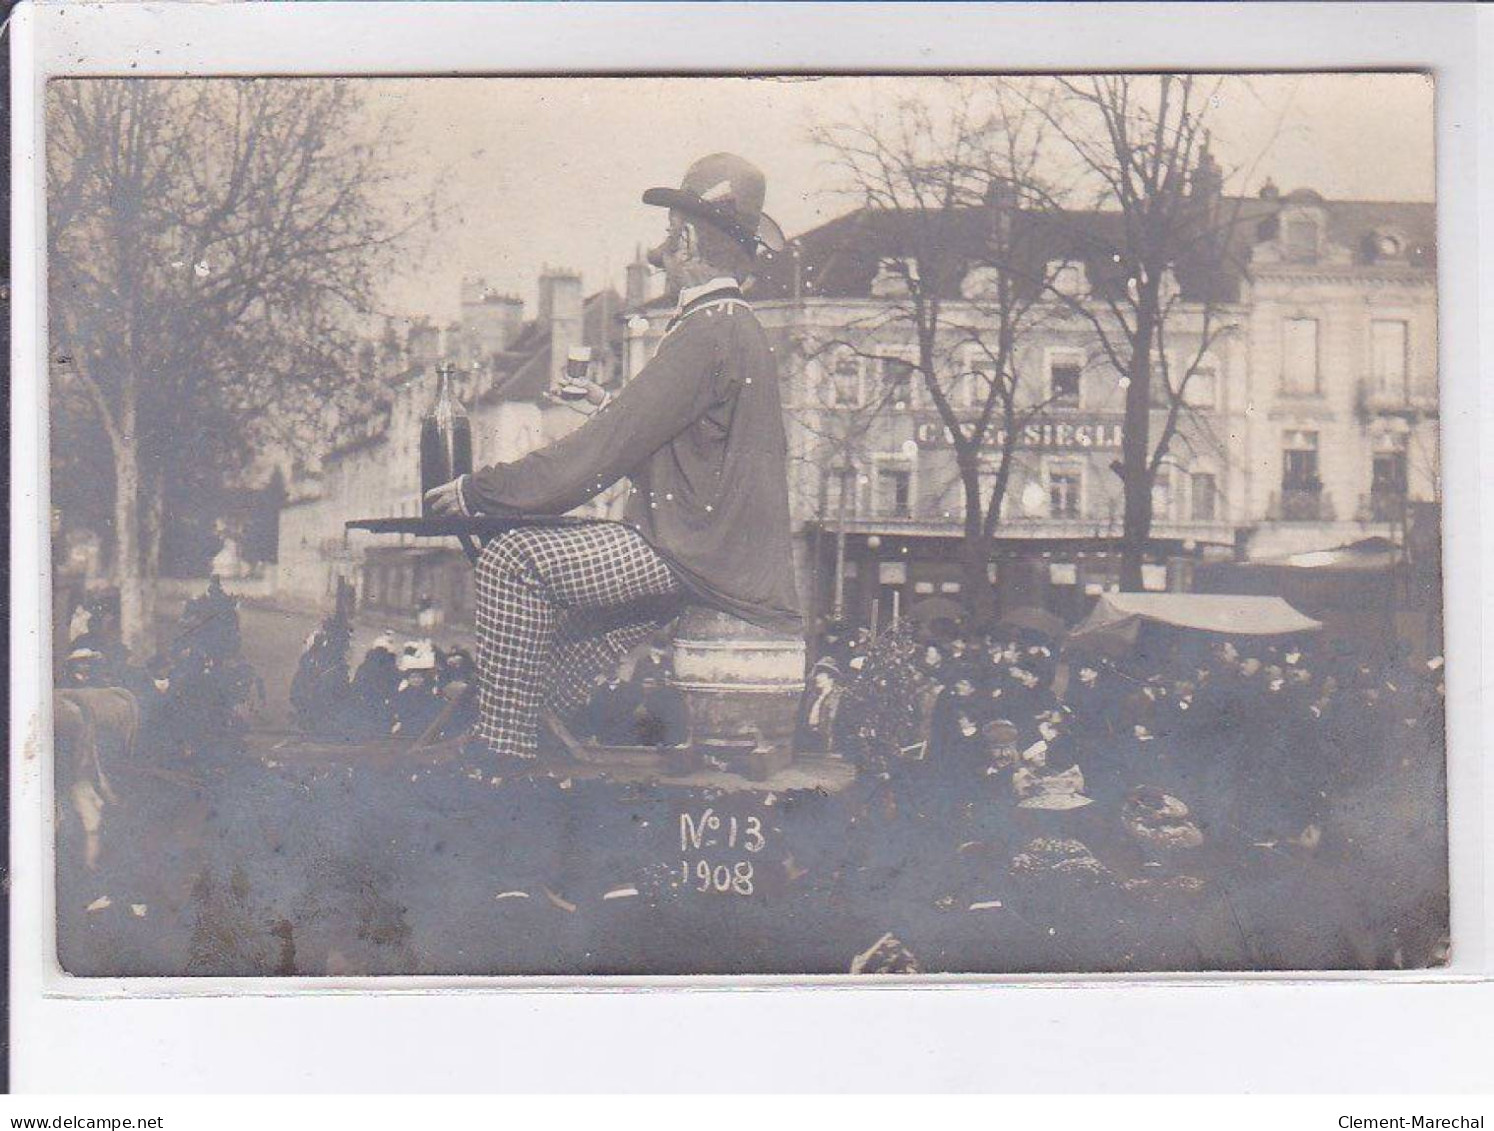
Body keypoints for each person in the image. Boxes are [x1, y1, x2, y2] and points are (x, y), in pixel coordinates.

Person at [424, 154, 801, 764]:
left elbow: (601, 455)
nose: (661, 251)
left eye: (668, 235)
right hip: (724, 559)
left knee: (513, 559)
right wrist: (607, 405)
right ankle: (530, 738)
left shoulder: (706, 331)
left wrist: (479, 491)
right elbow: (673, 439)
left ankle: (502, 763)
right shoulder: (733, 326)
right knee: (556, 651)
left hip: (691, 555)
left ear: (685, 241)